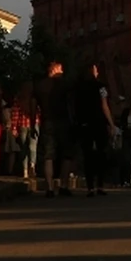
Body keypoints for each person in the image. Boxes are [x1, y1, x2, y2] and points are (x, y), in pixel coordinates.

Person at [31, 61, 75, 197]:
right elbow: (71, 103)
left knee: (48, 156)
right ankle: (64, 185)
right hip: (63, 121)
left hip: (47, 121)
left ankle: (49, 188)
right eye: (61, 69)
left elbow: (33, 107)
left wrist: (33, 124)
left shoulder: (39, 86)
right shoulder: (65, 85)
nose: (62, 72)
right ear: (55, 69)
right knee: (66, 155)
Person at [75, 61, 117, 197]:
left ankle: (90, 187)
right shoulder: (101, 87)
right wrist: (111, 123)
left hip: (84, 123)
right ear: (93, 72)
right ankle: (100, 185)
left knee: (87, 155)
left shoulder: (78, 87)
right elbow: (104, 105)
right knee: (101, 153)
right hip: (99, 122)